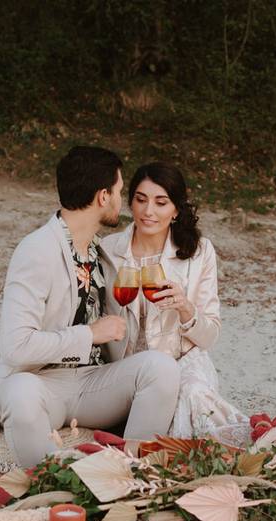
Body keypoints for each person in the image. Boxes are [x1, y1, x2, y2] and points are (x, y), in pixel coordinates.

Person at [0, 147, 181, 467]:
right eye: (120, 192)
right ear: (103, 196)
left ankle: (131, 472)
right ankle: (52, 485)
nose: (122, 202)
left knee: (161, 368)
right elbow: (15, 347)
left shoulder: (100, 251)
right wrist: (89, 334)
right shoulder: (36, 251)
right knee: (17, 392)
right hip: (43, 384)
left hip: (94, 383)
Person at [101, 162, 249, 446]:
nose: (148, 211)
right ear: (130, 202)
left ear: (176, 209)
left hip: (183, 361)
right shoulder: (109, 250)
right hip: (127, 366)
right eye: (140, 200)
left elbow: (209, 336)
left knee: (192, 395)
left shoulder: (199, 252)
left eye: (160, 202)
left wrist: (185, 309)